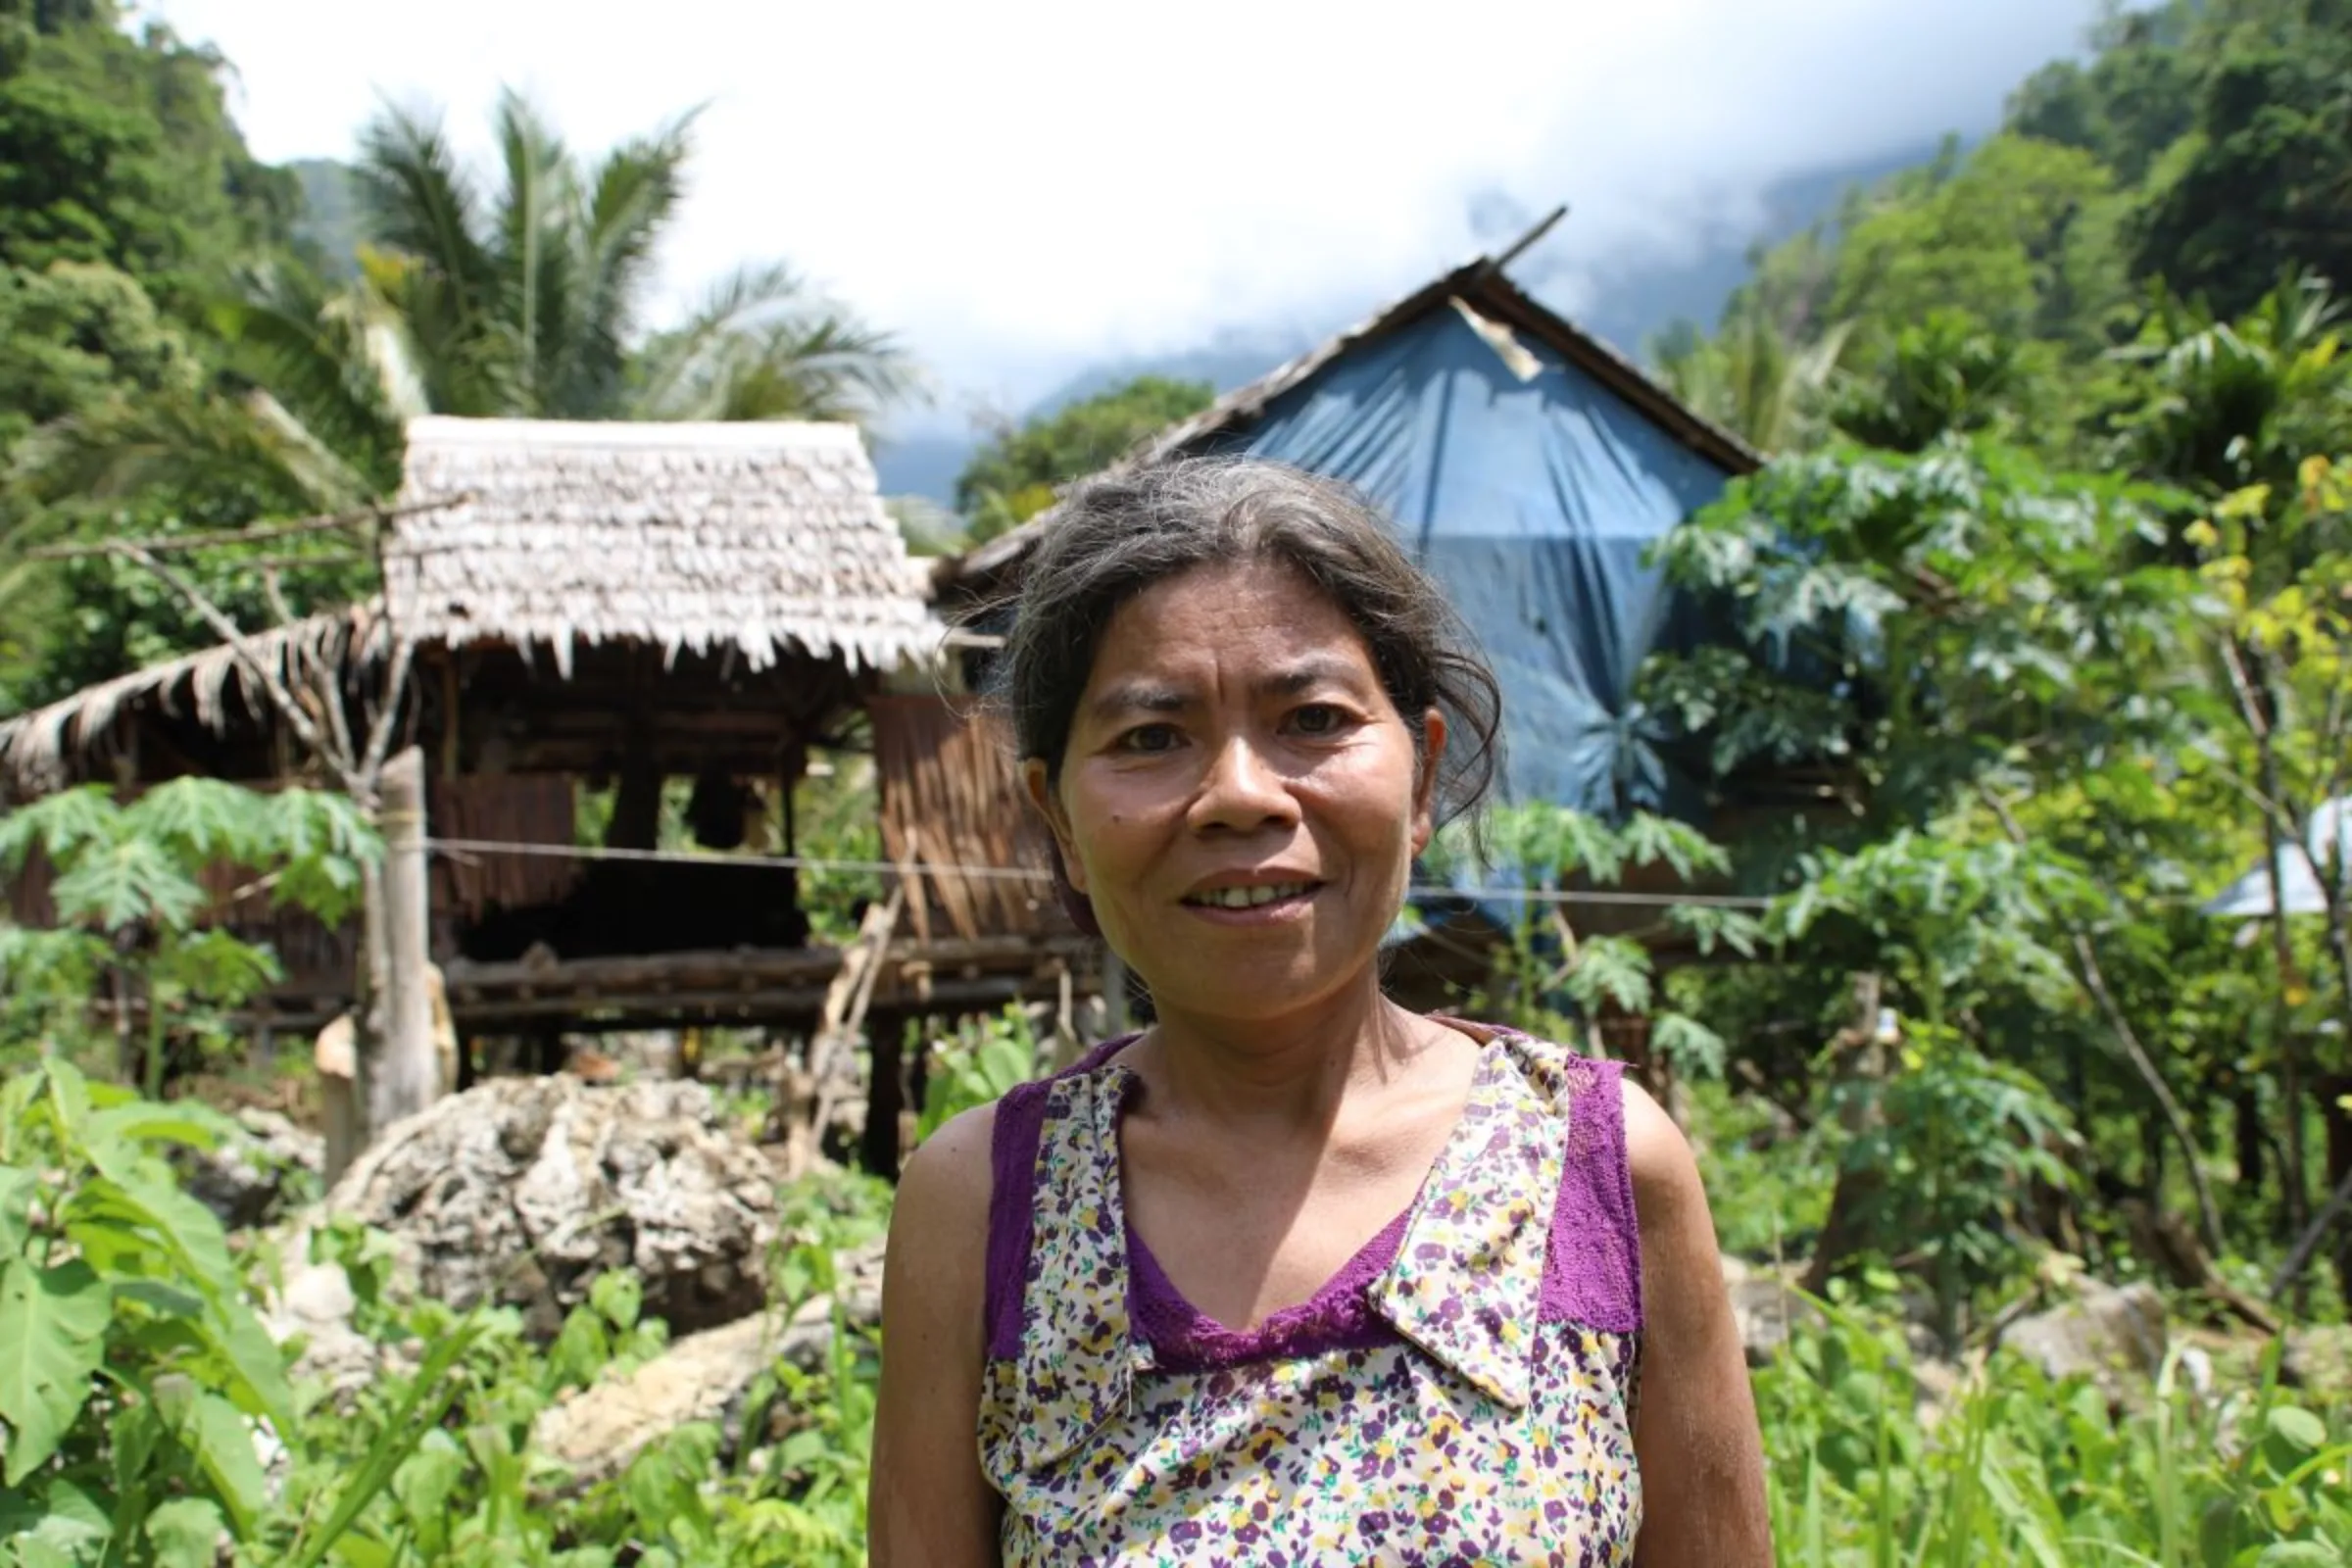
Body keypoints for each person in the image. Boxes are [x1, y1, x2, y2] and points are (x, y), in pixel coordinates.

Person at [870, 459, 1770, 1566]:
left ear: (1424, 778)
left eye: (1311, 717)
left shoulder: (1603, 1167)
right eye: (1152, 736)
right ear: (1057, 816)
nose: (1242, 794)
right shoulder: (982, 1202)